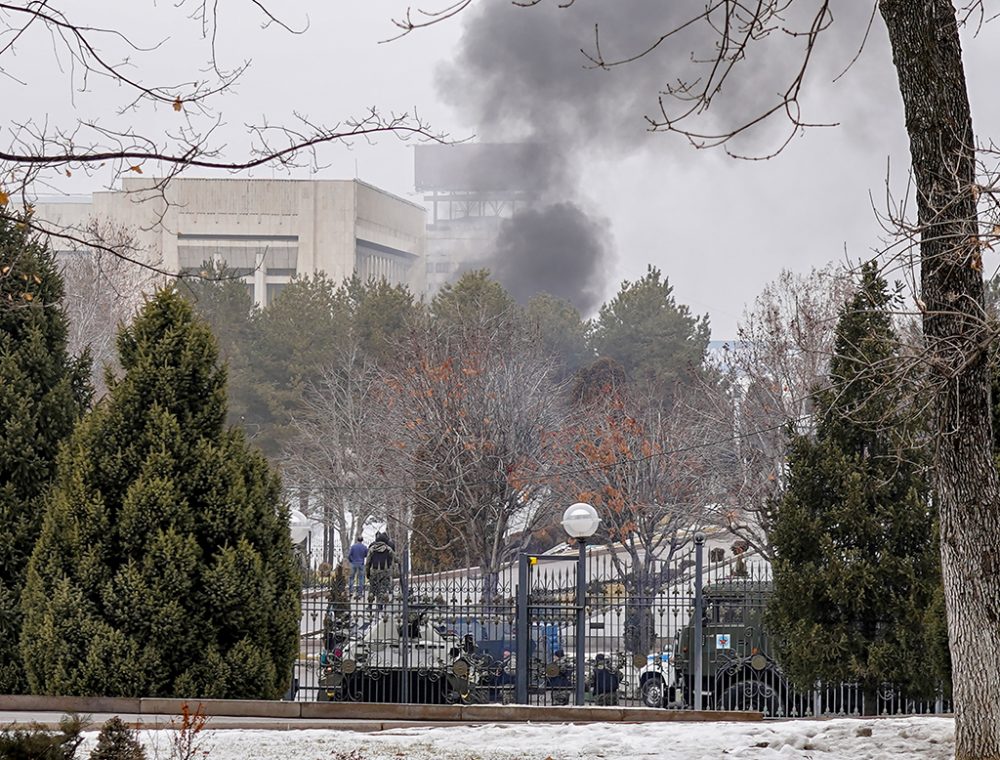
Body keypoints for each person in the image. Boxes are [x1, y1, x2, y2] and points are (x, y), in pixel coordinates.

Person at [365, 531, 396, 609]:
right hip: (385, 572)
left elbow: (368, 562)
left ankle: (370, 605)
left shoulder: (372, 548)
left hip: (374, 571)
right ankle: (380, 605)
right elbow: (394, 559)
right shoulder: (388, 549)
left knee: (372, 588)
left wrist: (367, 572)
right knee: (383, 588)